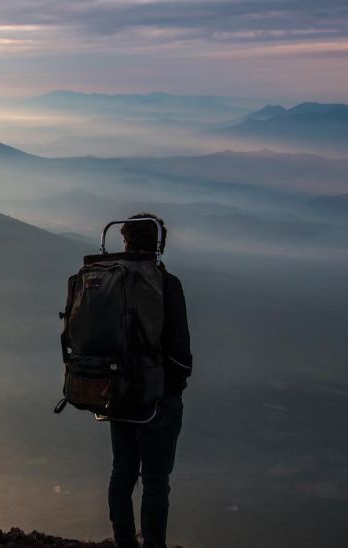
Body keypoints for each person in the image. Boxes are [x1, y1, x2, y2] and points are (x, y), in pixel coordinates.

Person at [107, 213, 192, 548]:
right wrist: (175, 384)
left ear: (125, 240)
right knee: (156, 481)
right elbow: (178, 349)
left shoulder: (108, 280)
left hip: (116, 393)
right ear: (159, 244)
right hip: (159, 398)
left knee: (122, 472)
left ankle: (124, 542)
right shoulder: (166, 284)